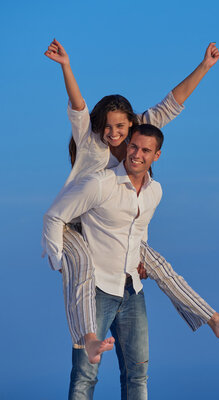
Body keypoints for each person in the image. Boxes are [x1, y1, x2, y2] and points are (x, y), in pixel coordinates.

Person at [41, 39, 219, 397]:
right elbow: (78, 107)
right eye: (109, 127)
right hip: (75, 227)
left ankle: (213, 319)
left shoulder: (144, 150)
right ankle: (89, 339)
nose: (116, 135)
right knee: (78, 272)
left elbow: (173, 103)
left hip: (122, 254)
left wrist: (204, 67)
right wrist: (66, 66)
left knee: (162, 269)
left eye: (122, 127)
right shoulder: (93, 145)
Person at [44, 124, 166, 400]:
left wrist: (141, 258)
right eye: (133, 146)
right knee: (85, 376)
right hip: (96, 289)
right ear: (126, 145)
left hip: (132, 290)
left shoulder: (155, 191)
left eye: (145, 150)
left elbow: (139, 228)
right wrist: (58, 260)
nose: (136, 154)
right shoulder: (101, 183)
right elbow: (54, 216)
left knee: (138, 375)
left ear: (156, 155)